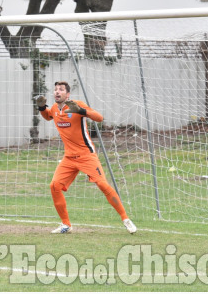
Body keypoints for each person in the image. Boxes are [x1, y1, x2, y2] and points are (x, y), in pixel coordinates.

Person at [36, 81, 137, 235]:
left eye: (61, 90)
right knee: (54, 186)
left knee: (102, 184)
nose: (57, 92)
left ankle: (125, 219)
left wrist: (82, 111)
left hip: (86, 156)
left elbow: (99, 117)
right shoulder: (55, 108)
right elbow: (48, 116)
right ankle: (66, 224)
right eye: (55, 89)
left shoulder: (77, 105)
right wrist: (42, 107)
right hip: (69, 158)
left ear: (67, 94)